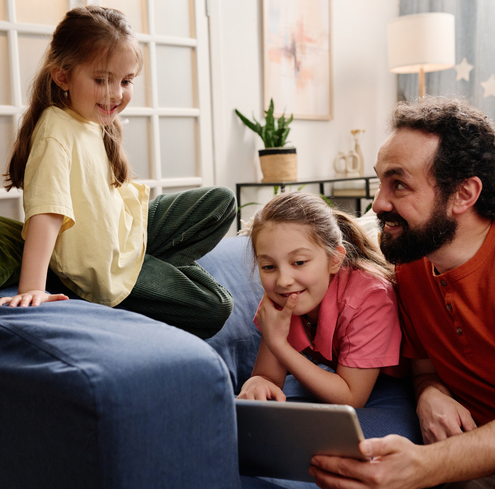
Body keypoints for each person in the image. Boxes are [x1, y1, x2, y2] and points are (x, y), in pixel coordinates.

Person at [0, 5, 235, 339]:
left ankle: (154, 265)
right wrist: (33, 287)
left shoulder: (90, 119)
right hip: (105, 270)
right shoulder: (56, 130)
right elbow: (47, 211)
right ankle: (126, 289)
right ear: (62, 76)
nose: (116, 93)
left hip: (126, 234)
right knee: (216, 306)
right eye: (101, 80)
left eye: (126, 81)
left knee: (222, 201)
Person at [309, 96, 495, 488]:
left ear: (464, 194)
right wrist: (430, 392)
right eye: (380, 182)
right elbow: (424, 363)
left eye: (399, 184)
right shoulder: (410, 266)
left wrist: (427, 465)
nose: (377, 203)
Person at [237, 191, 402, 408]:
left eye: (299, 262)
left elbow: (352, 398)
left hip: (398, 383)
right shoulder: (284, 296)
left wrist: (279, 345)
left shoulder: (370, 297)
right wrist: (256, 383)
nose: (283, 280)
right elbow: (268, 375)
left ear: (334, 259)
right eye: (269, 266)